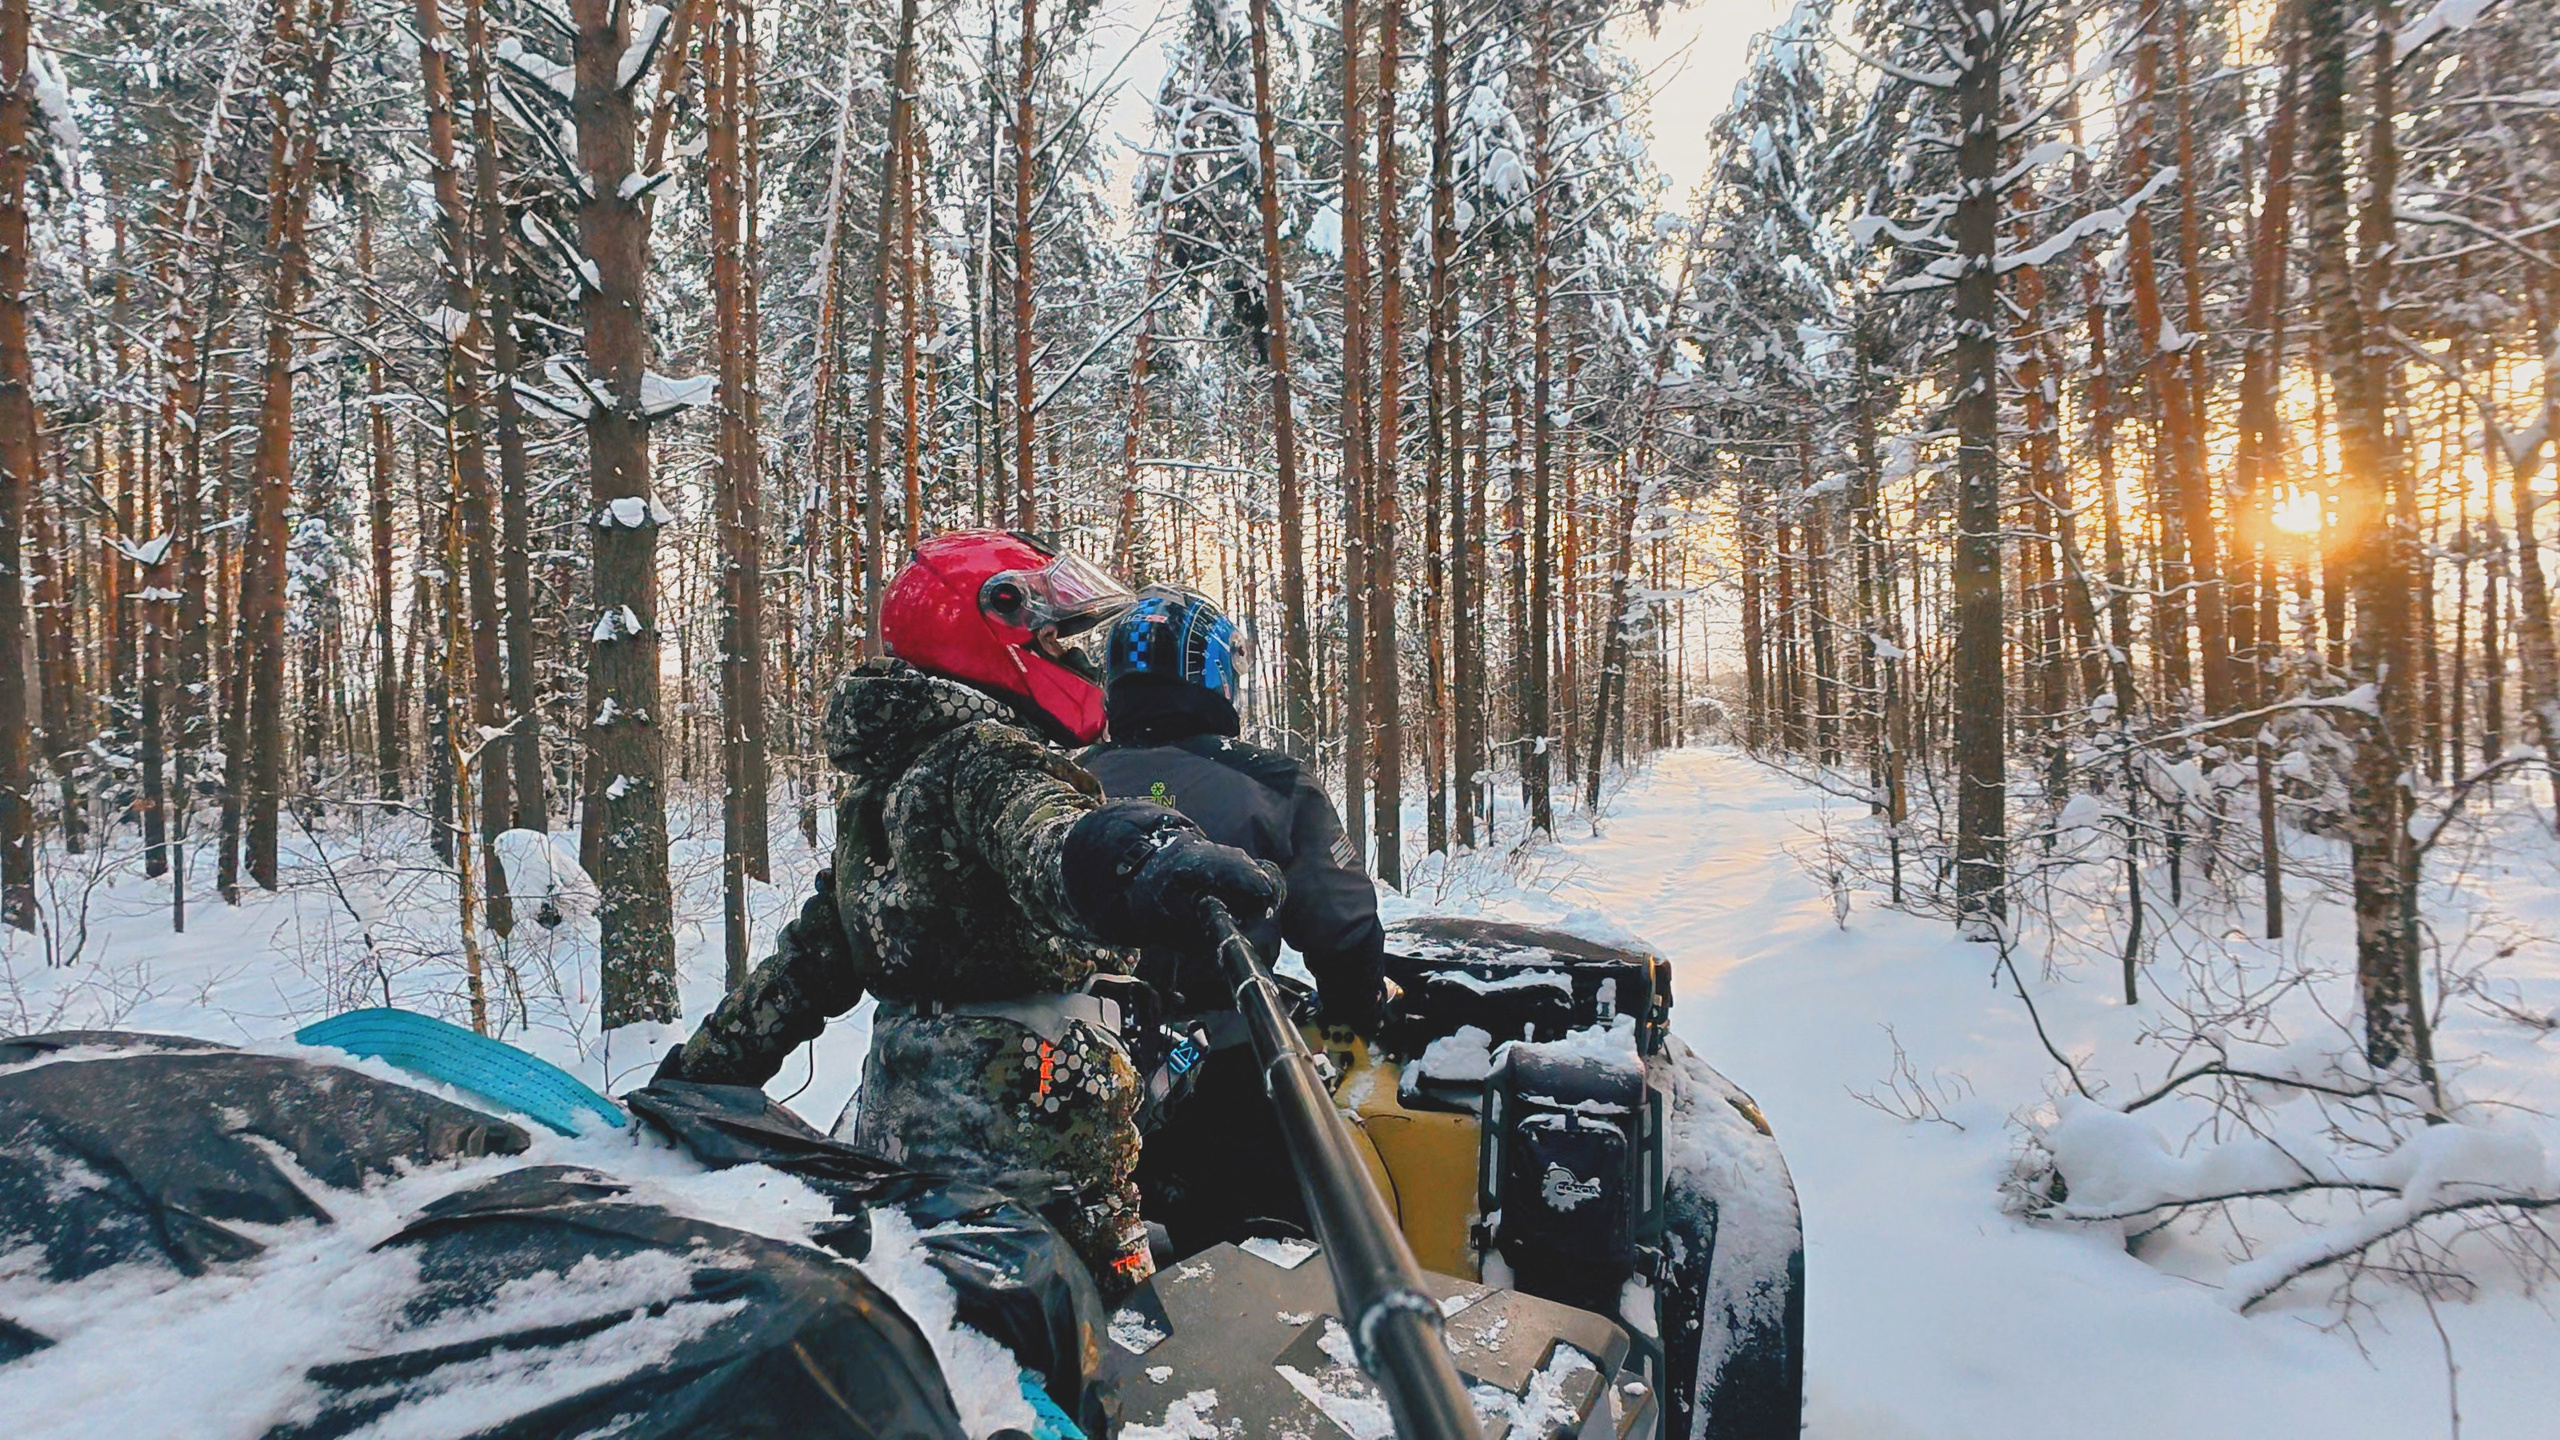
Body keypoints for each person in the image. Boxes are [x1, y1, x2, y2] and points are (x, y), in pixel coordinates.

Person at [654, 532, 1281, 1298]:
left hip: (905, 1141)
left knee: (951, 1328)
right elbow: (1049, 840)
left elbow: (807, 966)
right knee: (1092, 1347)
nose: (1074, 656)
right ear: (994, 632)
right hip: (1035, 1155)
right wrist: (1145, 855)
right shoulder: (990, 757)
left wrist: (698, 1075)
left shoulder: (887, 786)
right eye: (1053, 636)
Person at [1078, 586, 1387, 1258]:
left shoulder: (1062, 784)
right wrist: (1352, 1032)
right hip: (1224, 1072)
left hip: (1079, 1069)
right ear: (1215, 676)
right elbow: (1345, 930)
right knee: (1277, 1263)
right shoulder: (1273, 784)